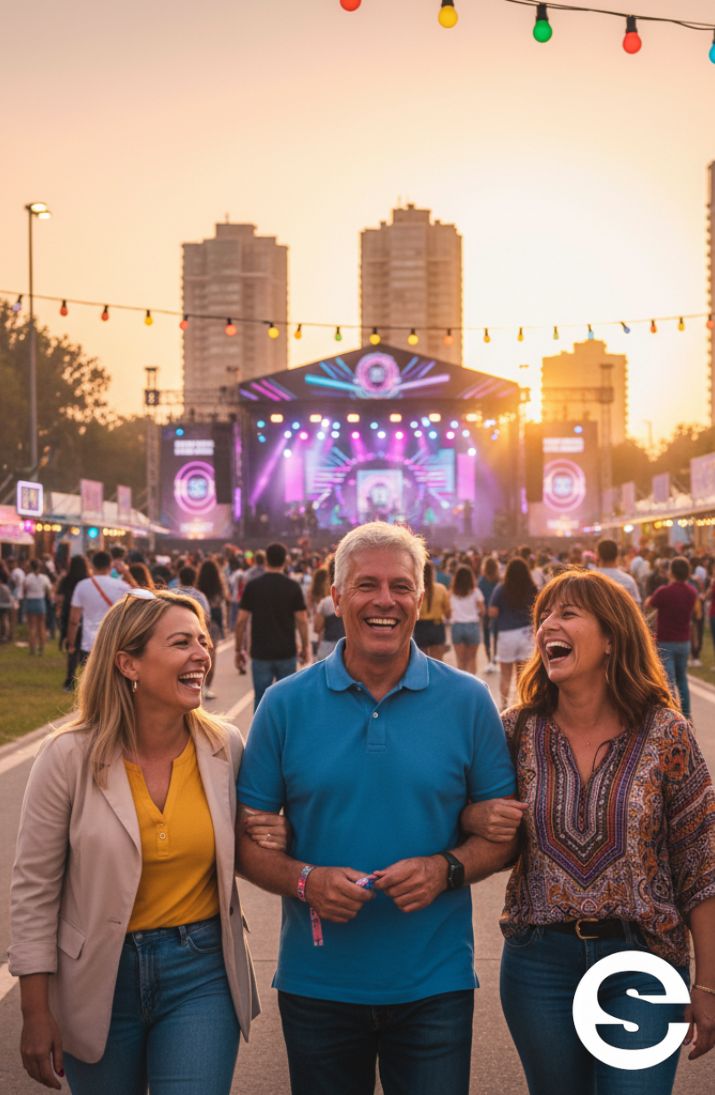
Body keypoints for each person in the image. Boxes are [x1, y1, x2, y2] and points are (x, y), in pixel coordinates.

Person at [236, 522, 518, 1095]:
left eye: (401, 586)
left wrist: (445, 869)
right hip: (318, 985)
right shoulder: (283, 704)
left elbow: (505, 833)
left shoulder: (468, 700)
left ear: (422, 597)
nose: (385, 600)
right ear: (336, 597)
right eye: (367, 585)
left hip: (435, 984)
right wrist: (305, 880)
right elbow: (243, 842)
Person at [9, 588, 289, 1094]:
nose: (202, 655)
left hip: (201, 971)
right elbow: (34, 890)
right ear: (128, 664)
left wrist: (275, 833)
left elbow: (246, 844)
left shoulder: (224, 746)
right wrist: (35, 1011)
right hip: (98, 977)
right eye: (182, 643)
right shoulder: (67, 757)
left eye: (203, 641)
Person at [465, 568, 715, 1095]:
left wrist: (709, 985)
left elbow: (702, 865)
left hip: (644, 960)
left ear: (610, 639)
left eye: (568, 613)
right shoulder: (515, 730)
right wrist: (473, 818)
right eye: (544, 617)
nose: (547, 626)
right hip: (539, 963)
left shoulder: (666, 732)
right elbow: (470, 820)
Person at [234, 542, 309, 711]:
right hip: (286, 651)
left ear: (266, 560)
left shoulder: (253, 586)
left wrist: (239, 650)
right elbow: (302, 620)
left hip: (260, 652)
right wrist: (305, 647)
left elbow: (240, 621)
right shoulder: (292, 586)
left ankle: (261, 729)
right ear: (285, 561)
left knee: (261, 700)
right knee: (288, 701)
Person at [645, 556, 699, 721]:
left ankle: (673, 717)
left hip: (667, 641)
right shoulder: (692, 592)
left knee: (668, 681)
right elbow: (696, 611)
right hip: (684, 641)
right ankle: (687, 715)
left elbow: (649, 604)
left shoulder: (664, 592)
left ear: (672, 572)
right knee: (682, 679)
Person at [67, 550, 131, 665]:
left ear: (92, 565)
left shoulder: (82, 586)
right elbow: (142, 596)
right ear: (110, 565)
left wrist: (71, 643)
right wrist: (126, 573)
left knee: (89, 674)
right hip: (114, 641)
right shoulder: (121, 586)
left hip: (89, 642)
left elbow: (74, 620)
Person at [489, 556, 537, 708]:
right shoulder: (532, 588)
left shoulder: (501, 588)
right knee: (522, 674)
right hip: (526, 633)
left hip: (507, 634)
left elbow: (492, 612)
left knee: (505, 674)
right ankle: (520, 704)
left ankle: (504, 706)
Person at [56, 555, 90, 691]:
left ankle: (70, 680)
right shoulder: (88, 581)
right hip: (85, 617)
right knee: (86, 651)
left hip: (69, 615)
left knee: (72, 648)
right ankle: (87, 680)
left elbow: (58, 597)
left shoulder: (66, 580)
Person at [449, 563, 485, 676]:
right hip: (472, 625)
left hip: (457, 626)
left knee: (460, 660)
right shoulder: (476, 592)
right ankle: (472, 682)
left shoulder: (451, 593)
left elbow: (448, 610)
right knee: (472, 659)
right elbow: (482, 610)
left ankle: (461, 683)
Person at [413, 559, 450, 660]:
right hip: (436, 625)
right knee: (437, 661)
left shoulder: (415, 590)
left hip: (420, 626)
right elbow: (448, 613)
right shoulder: (441, 589)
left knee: (421, 660)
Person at [595, 538, 641, 602]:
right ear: (617, 555)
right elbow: (637, 604)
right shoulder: (628, 580)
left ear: (598, 555)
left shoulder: (589, 580)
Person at [22, 559, 53, 655]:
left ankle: (32, 649)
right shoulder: (44, 578)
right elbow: (48, 590)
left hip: (31, 601)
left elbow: (24, 590)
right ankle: (41, 649)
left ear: (31, 567)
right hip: (40, 601)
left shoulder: (28, 577)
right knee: (41, 626)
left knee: (32, 627)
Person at [478, 555, 500, 672]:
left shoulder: (481, 581)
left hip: (486, 612)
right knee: (496, 636)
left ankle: (488, 659)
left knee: (486, 636)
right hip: (498, 612)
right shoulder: (499, 580)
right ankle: (495, 659)